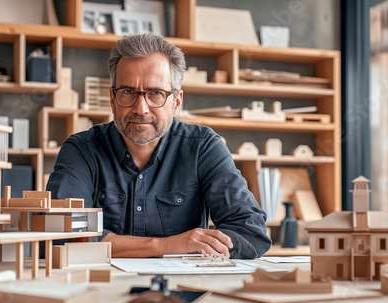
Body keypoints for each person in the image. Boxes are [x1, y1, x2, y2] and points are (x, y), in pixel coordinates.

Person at [47, 34, 271, 259]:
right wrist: (164, 246)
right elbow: (62, 235)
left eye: (156, 93)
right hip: (99, 289)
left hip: (182, 289)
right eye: (128, 92)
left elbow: (251, 233)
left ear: (176, 102)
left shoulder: (203, 147)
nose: (141, 108)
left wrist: (197, 245)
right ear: (112, 99)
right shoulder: (81, 150)